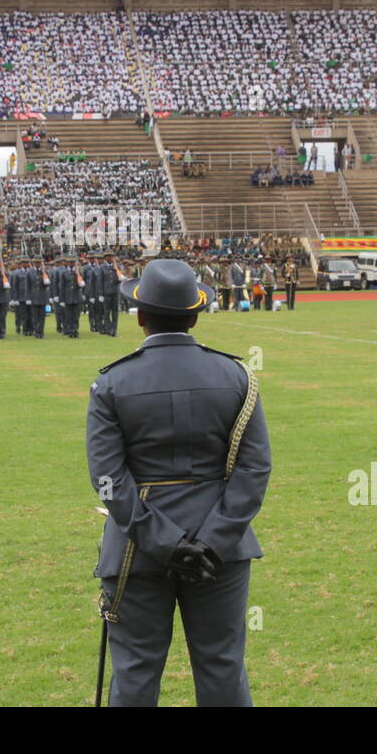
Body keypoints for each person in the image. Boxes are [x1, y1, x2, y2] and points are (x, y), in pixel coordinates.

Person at [88, 258, 271, 707]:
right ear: (194, 314)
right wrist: (211, 540)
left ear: (140, 315)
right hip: (221, 547)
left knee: (135, 670)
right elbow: (254, 469)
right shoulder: (235, 376)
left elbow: (108, 479)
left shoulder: (112, 382)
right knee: (222, 667)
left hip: (137, 546)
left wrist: (165, 541)